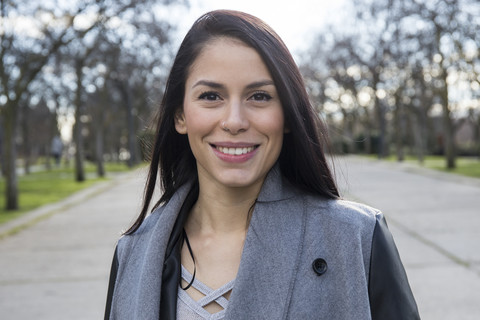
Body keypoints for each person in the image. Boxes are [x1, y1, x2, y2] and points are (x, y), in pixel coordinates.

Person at [105, 10, 420, 320]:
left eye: (259, 96)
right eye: (211, 95)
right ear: (180, 116)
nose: (235, 121)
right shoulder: (132, 253)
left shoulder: (359, 239)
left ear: (286, 115)